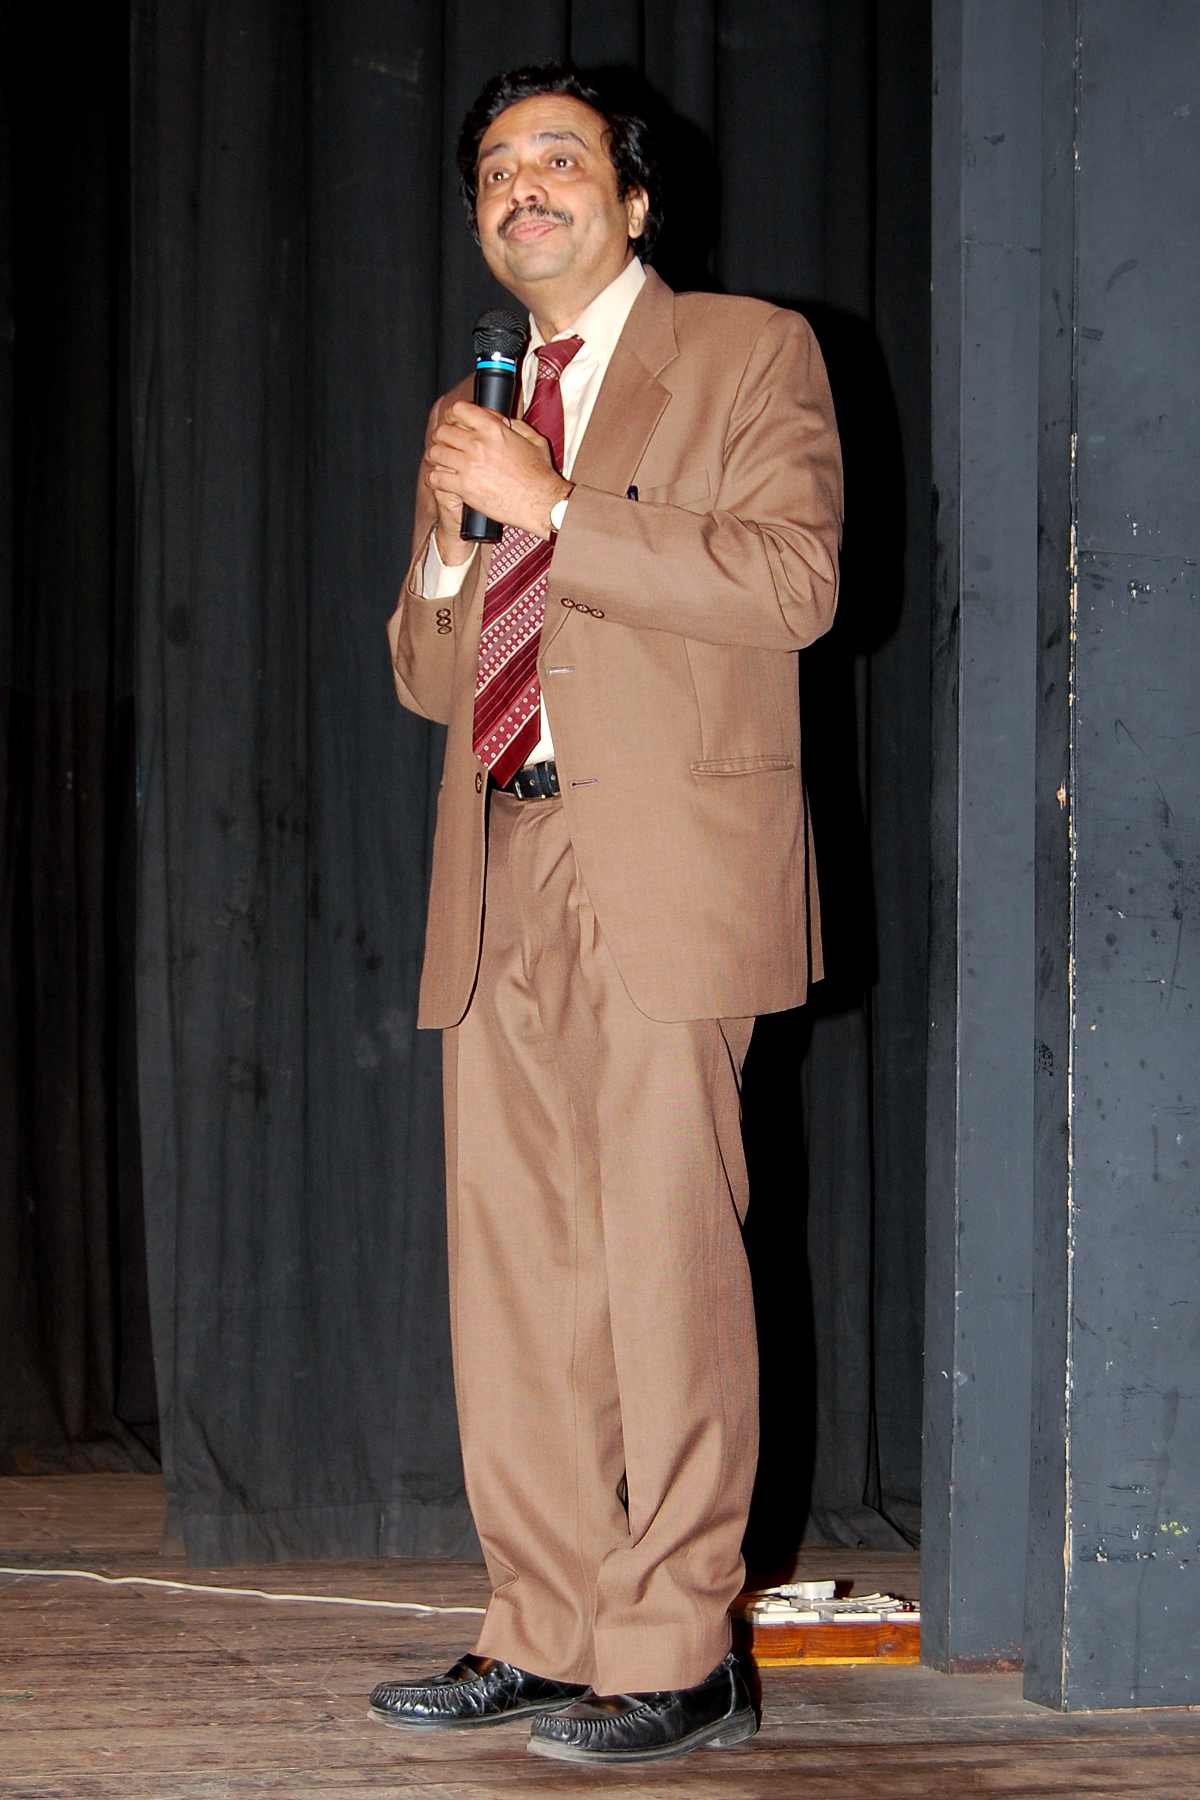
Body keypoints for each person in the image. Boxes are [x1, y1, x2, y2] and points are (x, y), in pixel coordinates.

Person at [368, 61, 842, 1765]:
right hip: (500, 855)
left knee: (664, 1262)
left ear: (635, 201)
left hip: (668, 860)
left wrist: (555, 510)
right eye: (497, 171)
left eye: (559, 161)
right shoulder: (478, 404)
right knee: (520, 1273)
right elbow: (430, 677)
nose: (524, 189)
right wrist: (453, 541)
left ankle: (679, 1648)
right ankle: (544, 1624)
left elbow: (794, 582)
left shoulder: (748, 351)